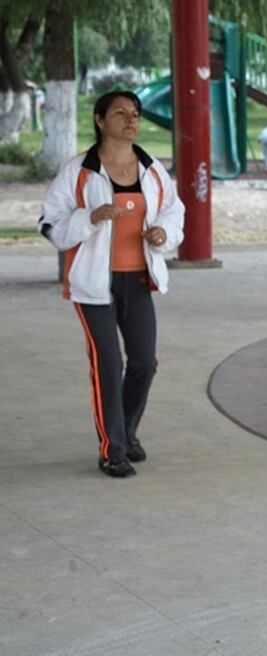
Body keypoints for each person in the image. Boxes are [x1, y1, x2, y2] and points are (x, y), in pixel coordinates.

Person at [38, 90, 185, 478]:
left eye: (135, 113)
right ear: (100, 120)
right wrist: (89, 217)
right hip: (93, 286)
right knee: (107, 362)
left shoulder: (152, 169)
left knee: (144, 364)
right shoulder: (79, 171)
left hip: (138, 281)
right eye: (120, 113)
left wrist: (163, 233)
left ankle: (127, 431)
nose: (130, 119)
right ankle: (112, 450)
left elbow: (174, 210)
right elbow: (50, 224)